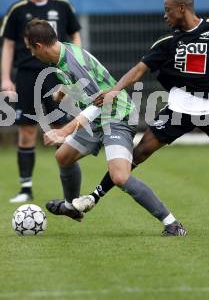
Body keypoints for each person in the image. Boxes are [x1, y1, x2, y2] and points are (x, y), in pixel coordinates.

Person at [72, 0, 209, 227]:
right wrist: (116, 90)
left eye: (167, 10)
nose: (164, 16)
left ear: (182, 8)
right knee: (140, 152)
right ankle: (93, 196)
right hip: (180, 108)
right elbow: (138, 70)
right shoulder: (168, 43)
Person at [23, 18, 187, 237]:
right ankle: (72, 207)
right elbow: (82, 84)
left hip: (116, 116)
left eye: (31, 50)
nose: (32, 55)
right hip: (97, 120)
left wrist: (64, 131)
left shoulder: (72, 62)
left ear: (39, 46)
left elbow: (99, 103)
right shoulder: (60, 55)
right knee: (63, 157)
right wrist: (63, 89)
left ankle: (173, 224)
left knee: (120, 177)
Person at [0, 0, 81, 203]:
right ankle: (25, 188)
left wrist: (75, 68)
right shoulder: (17, 10)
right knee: (26, 128)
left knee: (60, 128)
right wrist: (5, 78)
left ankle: (69, 187)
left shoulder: (62, 6)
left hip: (57, 75)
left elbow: (75, 35)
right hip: (26, 76)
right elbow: (8, 45)